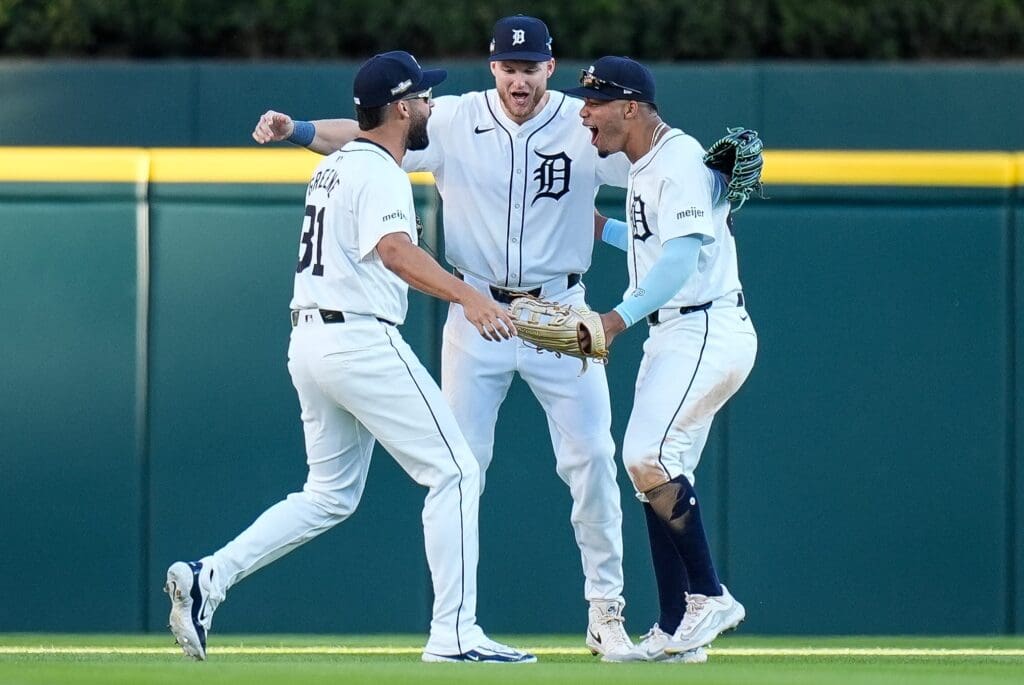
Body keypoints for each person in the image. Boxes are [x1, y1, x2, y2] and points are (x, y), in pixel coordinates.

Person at [252, 16, 637, 661]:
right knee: (459, 467)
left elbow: (646, 160)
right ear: (494, 69)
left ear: (551, 67)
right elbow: (368, 133)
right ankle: (455, 626)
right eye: (510, 68)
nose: (520, 78)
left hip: (559, 307)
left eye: (532, 67)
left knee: (594, 458)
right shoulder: (455, 118)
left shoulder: (583, 121)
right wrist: (299, 131)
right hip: (476, 307)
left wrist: (705, 174)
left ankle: (606, 611)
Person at [164, 50, 536, 665]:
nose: (430, 105)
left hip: (309, 338)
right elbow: (394, 250)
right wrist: (468, 295)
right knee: (457, 471)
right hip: (358, 339)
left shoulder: (338, 166)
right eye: (421, 97)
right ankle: (456, 635)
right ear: (399, 108)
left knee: (329, 495)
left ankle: (210, 577)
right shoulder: (380, 170)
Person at [564, 56, 758, 663]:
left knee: (645, 455)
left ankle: (709, 596)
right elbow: (656, 242)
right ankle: (677, 629)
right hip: (677, 332)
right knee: (657, 473)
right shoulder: (650, 164)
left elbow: (678, 264)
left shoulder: (676, 159)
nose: (584, 112)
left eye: (594, 102)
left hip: (703, 325)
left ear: (631, 107)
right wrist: (604, 230)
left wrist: (615, 318)